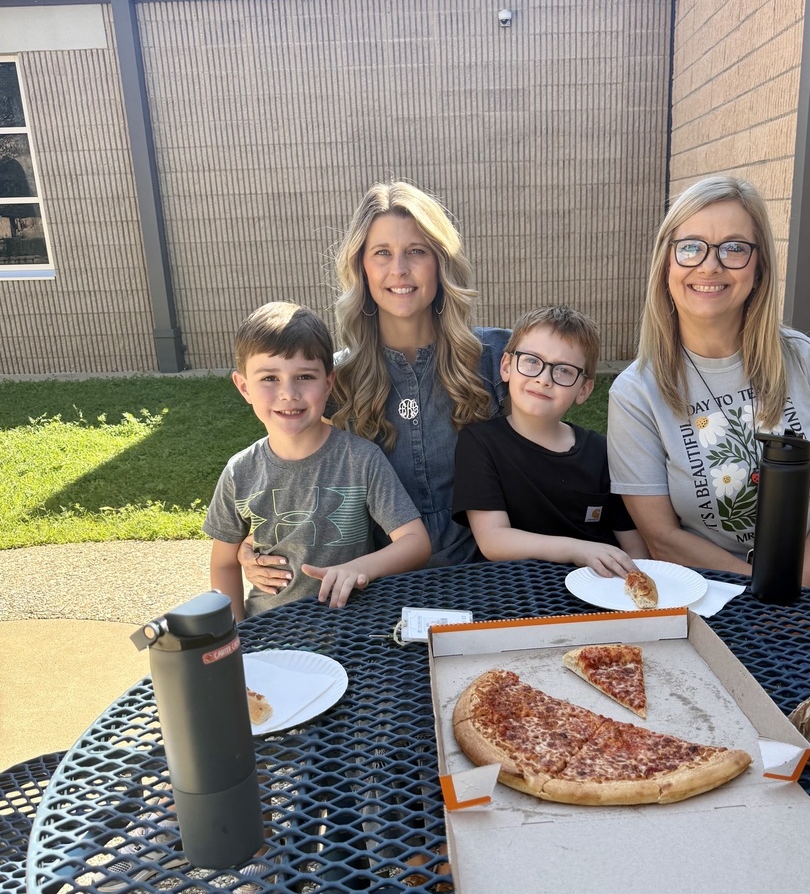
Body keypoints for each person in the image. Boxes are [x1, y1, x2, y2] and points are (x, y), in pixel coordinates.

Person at [606, 175, 810, 609]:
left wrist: (793, 590)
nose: (710, 266)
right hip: (717, 591)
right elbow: (663, 537)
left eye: (734, 248)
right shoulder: (635, 393)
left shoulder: (805, 359)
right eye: (691, 246)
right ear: (666, 265)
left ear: (759, 270)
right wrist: (763, 598)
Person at [241, 182, 510, 595]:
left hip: (493, 578)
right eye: (382, 253)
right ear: (361, 267)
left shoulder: (497, 359)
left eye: (416, 251)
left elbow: (544, 460)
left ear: (440, 263)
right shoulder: (332, 381)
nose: (399, 269)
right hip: (376, 590)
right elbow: (290, 476)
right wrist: (248, 546)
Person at [206, 301, 430, 619]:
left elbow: (415, 542)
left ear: (328, 383)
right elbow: (224, 564)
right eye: (269, 378)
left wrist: (360, 568)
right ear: (244, 387)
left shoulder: (361, 460)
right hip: (271, 631)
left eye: (304, 376)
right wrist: (237, 635)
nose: (288, 393)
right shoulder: (238, 472)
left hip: (353, 630)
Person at [453, 305, 646, 575]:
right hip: (519, 591)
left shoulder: (601, 452)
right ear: (507, 367)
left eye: (564, 370)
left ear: (584, 389)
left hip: (597, 588)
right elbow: (493, 540)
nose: (544, 379)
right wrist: (579, 550)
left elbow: (634, 546)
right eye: (532, 361)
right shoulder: (480, 443)